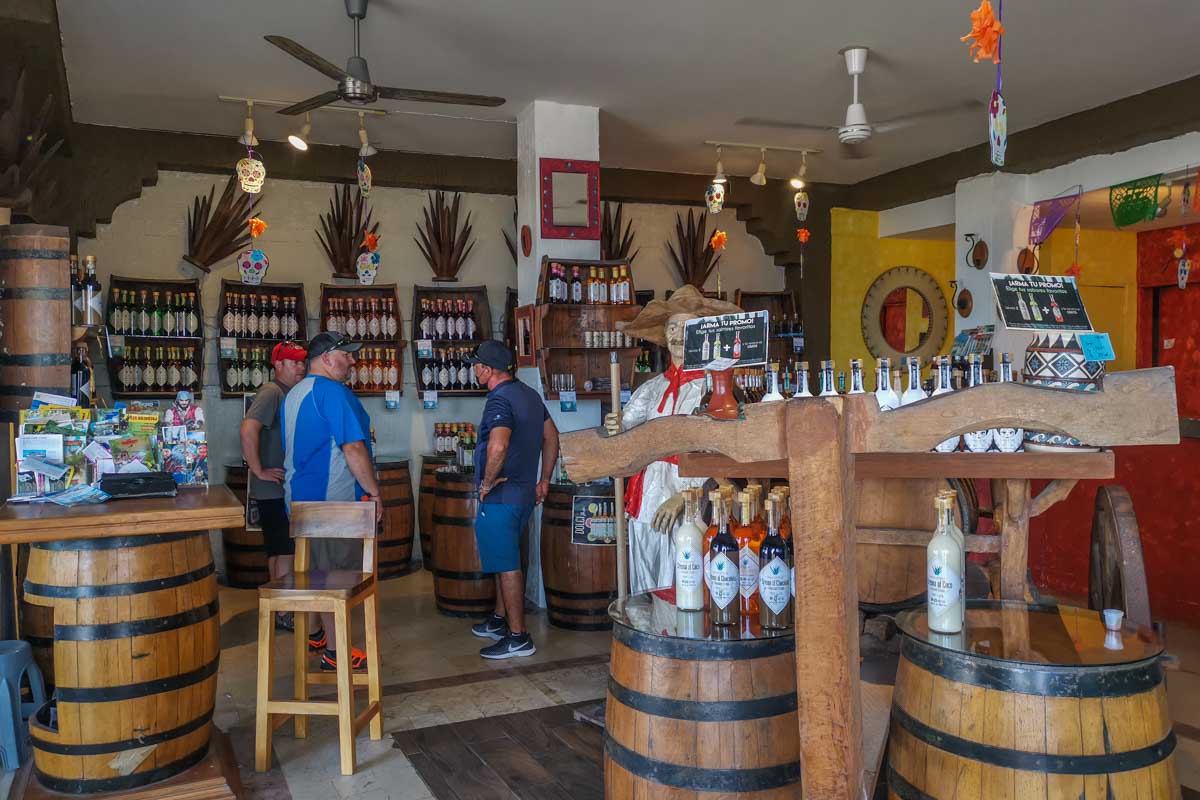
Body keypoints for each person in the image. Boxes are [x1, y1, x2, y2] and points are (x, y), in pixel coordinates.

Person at [603, 286, 741, 593]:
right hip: (645, 495)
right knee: (644, 577)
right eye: (673, 327)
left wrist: (685, 496)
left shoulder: (716, 385)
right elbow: (625, 430)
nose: (679, 335)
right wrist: (615, 425)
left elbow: (723, 450)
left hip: (690, 495)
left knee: (684, 578)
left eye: (689, 327)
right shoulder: (652, 388)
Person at [281, 331, 383, 672]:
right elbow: (352, 448)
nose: (353, 361)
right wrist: (376, 493)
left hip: (302, 502)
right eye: (347, 355)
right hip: (332, 505)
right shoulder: (332, 393)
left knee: (320, 574)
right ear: (327, 358)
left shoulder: (296, 392)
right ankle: (338, 653)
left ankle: (324, 641)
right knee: (336, 579)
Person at [465, 340, 559, 659]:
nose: (473, 369)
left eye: (476, 364)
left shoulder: (499, 401)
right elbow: (552, 436)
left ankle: (518, 637)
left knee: (507, 567)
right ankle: (499, 619)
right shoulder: (528, 394)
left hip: (502, 496)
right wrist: (543, 479)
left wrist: (487, 483)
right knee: (507, 559)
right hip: (523, 494)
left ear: (488, 370)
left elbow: (498, 446)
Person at [239, 341, 307, 631]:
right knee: (285, 552)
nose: (301, 367)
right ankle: (284, 612)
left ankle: (278, 608)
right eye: (294, 362)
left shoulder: (287, 392)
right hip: (275, 488)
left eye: (303, 362)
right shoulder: (272, 391)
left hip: (277, 487)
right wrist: (259, 470)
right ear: (278, 365)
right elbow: (247, 429)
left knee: (277, 551)